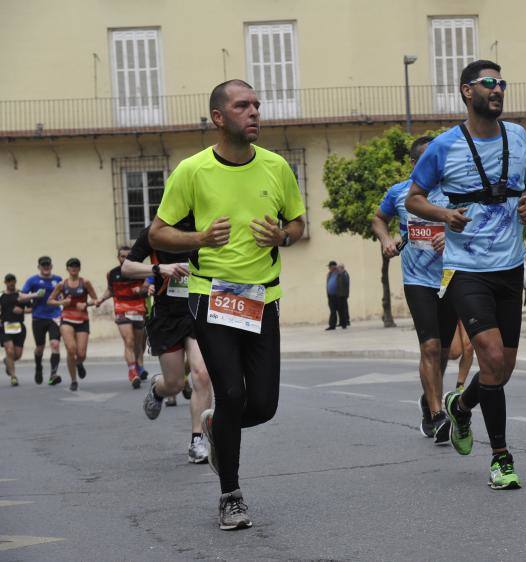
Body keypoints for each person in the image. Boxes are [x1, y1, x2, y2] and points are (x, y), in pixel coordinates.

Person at [149, 79, 306, 530]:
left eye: (257, 104)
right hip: (212, 296)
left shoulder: (277, 167)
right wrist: (198, 238)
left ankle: (218, 426)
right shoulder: (192, 171)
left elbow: (297, 223)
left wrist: (283, 236)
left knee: (263, 403)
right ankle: (231, 495)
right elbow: (158, 233)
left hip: (264, 299)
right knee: (232, 391)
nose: (254, 112)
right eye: (243, 106)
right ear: (219, 117)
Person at [406, 60, 526, 489]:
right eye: (489, 83)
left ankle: (461, 407)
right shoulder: (444, 146)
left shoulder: (518, 137)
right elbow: (413, 199)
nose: (498, 89)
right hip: (465, 269)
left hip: (510, 265)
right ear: (468, 91)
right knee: (491, 358)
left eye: (502, 82)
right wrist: (444, 213)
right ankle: (501, 459)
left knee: (502, 370)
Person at [372, 135, 457, 444]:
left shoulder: (453, 191)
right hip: (417, 280)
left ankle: (428, 396)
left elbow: (473, 225)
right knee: (430, 348)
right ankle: (437, 416)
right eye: (427, 160)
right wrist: (385, 240)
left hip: (449, 279)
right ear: (413, 164)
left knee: (446, 352)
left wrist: (452, 237)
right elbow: (379, 219)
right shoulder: (399, 193)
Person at [121, 218, 214, 464]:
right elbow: (127, 268)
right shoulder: (154, 232)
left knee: (202, 374)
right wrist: (159, 269)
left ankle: (198, 440)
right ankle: (158, 389)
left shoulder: (206, 225)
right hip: (167, 317)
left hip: (198, 310)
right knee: (174, 384)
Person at [96, 247, 150, 388]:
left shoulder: (140, 271)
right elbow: (111, 290)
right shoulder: (112, 273)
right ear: (118, 257)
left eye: (127, 256)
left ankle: (138, 364)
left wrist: (141, 290)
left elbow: (148, 288)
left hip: (139, 310)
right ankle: (132, 372)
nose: (124, 259)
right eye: (122, 256)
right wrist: (101, 299)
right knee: (129, 341)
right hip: (121, 309)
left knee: (139, 344)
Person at [47, 258, 99, 391]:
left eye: (76, 266)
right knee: (71, 349)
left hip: (82, 319)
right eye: (71, 266)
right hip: (67, 319)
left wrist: (86, 304)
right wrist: (61, 303)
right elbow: (50, 300)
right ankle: (74, 380)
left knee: (81, 354)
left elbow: (96, 300)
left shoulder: (85, 282)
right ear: (67, 269)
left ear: (79, 268)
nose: (74, 268)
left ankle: (79, 363)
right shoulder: (62, 284)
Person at [21, 256, 63, 385]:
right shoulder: (32, 281)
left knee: (55, 345)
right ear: (39, 267)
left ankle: (53, 374)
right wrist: (34, 295)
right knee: (40, 347)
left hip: (55, 317)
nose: (46, 267)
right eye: (43, 265)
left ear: (51, 266)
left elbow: (64, 294)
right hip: (38, 318)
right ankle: (38, 367)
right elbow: (21, 297)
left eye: (48, 265)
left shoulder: (58, 280)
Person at [1, 274, 34, 387]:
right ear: (5, 282)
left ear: (15, 282)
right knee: (10, 350)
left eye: (13, 281)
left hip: (19, 328)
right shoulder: (1, 296)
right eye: (9, 281)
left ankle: (7, 361)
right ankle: (13, 377)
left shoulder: (21, 295)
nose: (11, 283)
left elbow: (31, 308)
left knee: (17, 355)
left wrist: (22, 311)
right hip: (5, 327)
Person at [448, 320, 474, 392]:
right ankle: (430, 360)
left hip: (469, 310)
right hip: (452, 310)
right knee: (454, 353)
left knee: (469, 347)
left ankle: (459, 389)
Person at [325, 261, 339, 330]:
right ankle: (332, 325)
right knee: (332, 310)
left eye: (330, 266)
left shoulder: (338, 273)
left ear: (333, 266)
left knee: (340, 310)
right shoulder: (329, 274)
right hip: (330, 295)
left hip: (337, 295)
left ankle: (343, 323)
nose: (329, 268)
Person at [336, 263, 350, 328]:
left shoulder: (345, 274)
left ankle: (346, 322)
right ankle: (341, 322)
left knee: (344, 309)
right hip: (339, 294)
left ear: (342, 268)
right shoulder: (339, 275)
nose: (337, 269)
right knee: (340, 309)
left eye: (338, 268)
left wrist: (346, 294)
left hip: (343, 294)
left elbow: (346, 285)